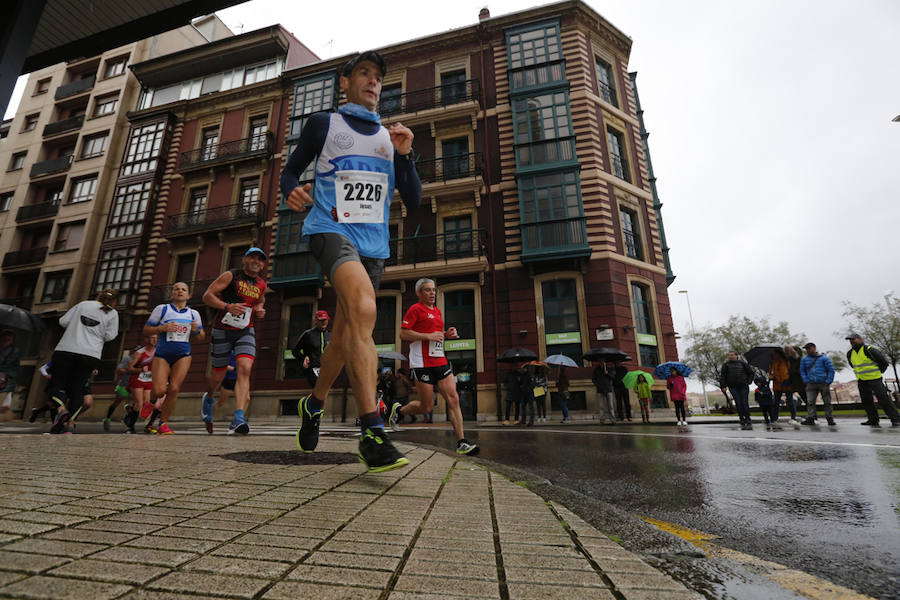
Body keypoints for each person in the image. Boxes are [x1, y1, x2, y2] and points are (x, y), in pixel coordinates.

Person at [282, 50, 421, 472]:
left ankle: (315, 402)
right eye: (364, 73)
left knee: (346, 333)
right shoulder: (324, 124)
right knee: (364, 309)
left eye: (378, 76)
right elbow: (290, 171)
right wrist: (292, 191)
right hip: (329, 231)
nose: (373, 81)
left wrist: (405, 157)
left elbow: (413, 201)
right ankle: (373, 432)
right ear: (345, 82)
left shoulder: (389, 137)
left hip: (373, 246)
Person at [388, 278, 479, 455]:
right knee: (426, 407)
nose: (432, 294)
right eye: (428, 290)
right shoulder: (415, 309)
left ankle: (461, 443)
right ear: (419, 293)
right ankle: (399, 410)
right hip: (421, 363)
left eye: (434, 290)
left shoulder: (437, 311)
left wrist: (446, 335)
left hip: (440, 361)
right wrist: (427, 336)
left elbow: (435, 336)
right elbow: (403, 333)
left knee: (453, 398)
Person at [201, 247, 267, 434]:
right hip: (222, 329)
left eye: (260, 259)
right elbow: (207, 296)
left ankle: (238, 418)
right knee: (218, 376)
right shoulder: (231, 276)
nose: (256, 261)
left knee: (245, 369)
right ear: (245, 260)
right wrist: (227, 306)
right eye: (252, 257)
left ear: (262, 265)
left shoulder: (261, 283)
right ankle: (209, 397)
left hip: (246, 330)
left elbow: (261, 300)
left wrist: (260, 309)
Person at [47, 289, 119, 434]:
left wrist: (77, 327)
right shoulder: (112, 313)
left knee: (57, 383)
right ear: (114, 301)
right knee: (78, 389)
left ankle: (61, 409)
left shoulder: (83, 305)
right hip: (90, 354)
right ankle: (71, 423)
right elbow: (111, 336)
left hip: (66, 349)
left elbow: (63, 321)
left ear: (98, 296)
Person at [144, 282, 205, 435]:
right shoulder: (162, 309)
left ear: (188, 295)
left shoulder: (194, 314)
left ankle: (163, 423)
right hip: (162, 354)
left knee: (174, 389)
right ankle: (150, 403)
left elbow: (202, 338)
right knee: (159, 391)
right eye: (176, 289)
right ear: (172, 294)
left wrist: (197, 331)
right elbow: (146, 330)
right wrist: (161, 329)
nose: (180, 291)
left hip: (183, 354)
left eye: (183, 290)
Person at [846, 333, 900, 427]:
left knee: (884, 399)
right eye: (850, 340)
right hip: (862, 380)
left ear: (860, 339)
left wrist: (879, 372)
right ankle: (873, 420)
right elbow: (853, 366)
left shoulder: (869, 350)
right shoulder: (850, 353)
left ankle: (896, 419)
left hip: (875, 379)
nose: (851, 341)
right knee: (866, 401)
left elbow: (883, 362)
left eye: (853, 339)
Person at [124, 335, 157, 434]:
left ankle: (129, 413)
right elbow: (129, 368)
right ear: (147, 339)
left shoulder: (158, 352)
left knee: (147, 404)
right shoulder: (140, 353)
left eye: (156, 338)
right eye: (152, 338)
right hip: (137, 379)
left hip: (149, 380)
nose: (155, 340)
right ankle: (131, 428)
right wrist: (140, 369)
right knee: (139, 403)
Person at [799, 342, 835, 426]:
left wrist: (828, 381)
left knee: (827, 402)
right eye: (806, 349)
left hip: (823, 383)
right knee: (810, 402)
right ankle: (811, 418)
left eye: (809, 348)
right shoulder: (804, 359)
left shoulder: (823, 358)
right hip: (811, 383)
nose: (807, 350)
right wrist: (805, 380)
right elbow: (802, 370)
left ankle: (829, 418)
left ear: (814, 348)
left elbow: (831, 369)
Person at [293, 310, 330, 388]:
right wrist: (303, 358)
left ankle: (305, 400)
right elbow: (295, 351)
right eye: (321, 320)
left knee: (323, 392)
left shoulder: (330, 335)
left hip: (326, 369)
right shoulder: (308, 334)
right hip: (312, 368)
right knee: (318, 389)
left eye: (325, 320)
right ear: (316, 320)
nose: (323, 322)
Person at [719, 350, 754, 430]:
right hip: (733, 387)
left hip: (743, 386)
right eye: (729, 355)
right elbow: (723, 376)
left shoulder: (743, 363)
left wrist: (748, 382)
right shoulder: (726, 365)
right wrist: (723, 386)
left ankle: (748, 418)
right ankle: (742, 418)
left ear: (736, 356)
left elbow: (751, 373)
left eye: (732, 355)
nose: (730, 356)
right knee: (738, 403)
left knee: (744, 402)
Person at [107, 348, 136, 431]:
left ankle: (129, 420)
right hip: (124, 384)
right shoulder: (127, 359)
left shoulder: (142, 359)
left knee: (137, 402)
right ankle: (108, 418)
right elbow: (119, 370)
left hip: (135, 384)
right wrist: (129, 370)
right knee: (118, 401)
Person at [769, 347, 799, 424]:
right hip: (777, 385)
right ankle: (774, 418)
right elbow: (771, 373)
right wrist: (771, 377)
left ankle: (793, 417)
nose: (773, 355)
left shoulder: (786, 361)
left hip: (787, 384)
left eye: (775, 354)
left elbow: (787, 372)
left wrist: (787, 380)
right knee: (776, 402)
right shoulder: (772, 363)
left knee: (790, 401)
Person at [0, 330, 20, 414]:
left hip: (6, 379)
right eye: (5, 339)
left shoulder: (14, 351)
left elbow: (15, 366)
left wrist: (10, 375)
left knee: (3, 403)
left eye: (10, 339)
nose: (7, 341)